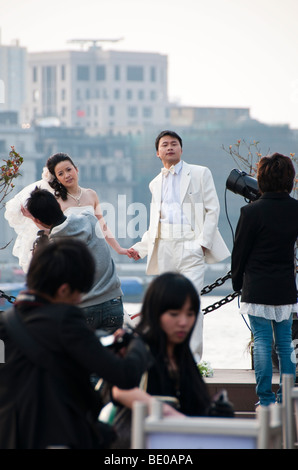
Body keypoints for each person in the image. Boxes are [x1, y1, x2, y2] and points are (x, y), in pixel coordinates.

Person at [0, 239, 150, 449]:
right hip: (57, 438)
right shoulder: (65, 320)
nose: (80, 300)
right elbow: (125, 375)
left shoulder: (5, 323)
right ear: (63, 290)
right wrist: (137, 343)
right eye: (79, 292)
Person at [129, 130, 230, 363]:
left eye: (174, 144)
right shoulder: (155, 183)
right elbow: (156, 223)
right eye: (164, 145)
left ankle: (192, 361)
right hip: (164, 247)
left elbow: (212, 210)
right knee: (166, 305)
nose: (170, 147)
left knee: (190, 303)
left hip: (191, 246)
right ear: (158, 152)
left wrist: (201, 245)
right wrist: (141, 248)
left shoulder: (200, 172)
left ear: (181, 149)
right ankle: (168, 359)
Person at [110, 272, 213, 448]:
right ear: (155, 313)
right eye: (174, 314)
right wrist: (172, 416)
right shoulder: (140, 347)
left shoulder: (182, 356)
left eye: (190, 314)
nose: (183, 322)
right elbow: (121, 390)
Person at [231, 152, 298, 407]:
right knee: (284, 343)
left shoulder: (250, 212)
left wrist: (237, 284)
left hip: (257, 286)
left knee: (261, 340)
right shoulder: (295, 210)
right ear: (289, 179)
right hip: (284, 286)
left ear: (261, 179)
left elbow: (240, 253)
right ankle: (285, 399)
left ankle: (266, 399)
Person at [5, 152, 131, 272]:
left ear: (76, 169)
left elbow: (102, 226)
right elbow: (51, 230)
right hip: (69, 255)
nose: (66, 175)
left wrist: (119, 249)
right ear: (57, 179)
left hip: (93, 252)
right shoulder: (57, 200)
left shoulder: (91, 194)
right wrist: (32, 218)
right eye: (60, 173)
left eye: (69, 170)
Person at [26, 187, 124, 333]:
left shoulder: (51, 249)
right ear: (59, 206)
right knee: (112, 353)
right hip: (113, 303)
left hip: (81, 310)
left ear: (37, 220)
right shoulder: (89, 219)